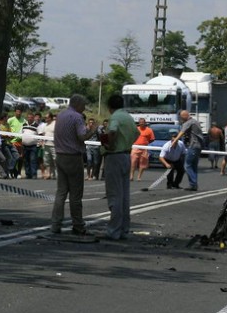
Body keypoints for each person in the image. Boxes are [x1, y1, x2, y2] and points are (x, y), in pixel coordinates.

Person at [50, 94, 96, 235]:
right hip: (73, 156)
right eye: (83, 106)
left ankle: (55, 224)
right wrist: (92, 130)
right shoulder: (77, 117)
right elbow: (82, 136)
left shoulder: (61, 115)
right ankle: (78, 225)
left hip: (60, 155)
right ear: (77, 105)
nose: (83, 109)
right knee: (75, 194)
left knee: (61, 192)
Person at [103, 94, 139, 240]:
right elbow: (136, 133)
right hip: (126, 155)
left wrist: (110, 144)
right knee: (124, 195)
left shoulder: (115, 117)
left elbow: (112, 131)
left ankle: (114, 231)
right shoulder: (128, 117)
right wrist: (127, 142)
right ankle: (124, 228)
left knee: (114, 195)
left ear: (110, 107)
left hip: (114, 155)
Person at [172, 109, 204, 191]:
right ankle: (193, 185)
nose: (181, 119)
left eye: (181, 117)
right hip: (198, 146)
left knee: (187, 165)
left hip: (193, 145)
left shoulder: (188, 122)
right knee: (193, 166)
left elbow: (182, 132)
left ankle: (193, 184)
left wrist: (175, 141)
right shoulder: (195, 121)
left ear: (185, 116)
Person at [129, 117, 155, 182]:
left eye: (143, 123)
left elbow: (152, 139)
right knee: (133, 162)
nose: (141, 124)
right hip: (135, 147)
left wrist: (146, 143)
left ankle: (139, 177)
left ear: (145, 123)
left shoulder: (149, 130)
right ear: (139, 123)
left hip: (144, 148)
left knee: (143, 163)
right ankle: (131, 176)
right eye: (140, 123)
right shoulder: (136, 129)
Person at [21, 112, 40, 179]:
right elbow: (21, 134)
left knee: (33, 160)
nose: (30, 119)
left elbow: (40, 135)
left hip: (33, 146)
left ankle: (34, 174)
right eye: (28, 117)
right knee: (26, 161)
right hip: (25, 146)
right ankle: (28, 174)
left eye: (31, 117)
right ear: (27, 118)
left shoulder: (36, 125)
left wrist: (38, 144)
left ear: (33, 118)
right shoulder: (24, 124)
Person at [39, 112, 56, 179]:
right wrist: (42, 142)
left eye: (47, 117)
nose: (45, 119)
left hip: (54, 145)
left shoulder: (55, 124)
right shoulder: (45, 125)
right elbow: (44, 134)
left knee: (55, 160)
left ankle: (55, 174)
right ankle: (48, 174)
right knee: (47, 161)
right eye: (45, 117)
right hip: (46, 145)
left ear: (50, 118)